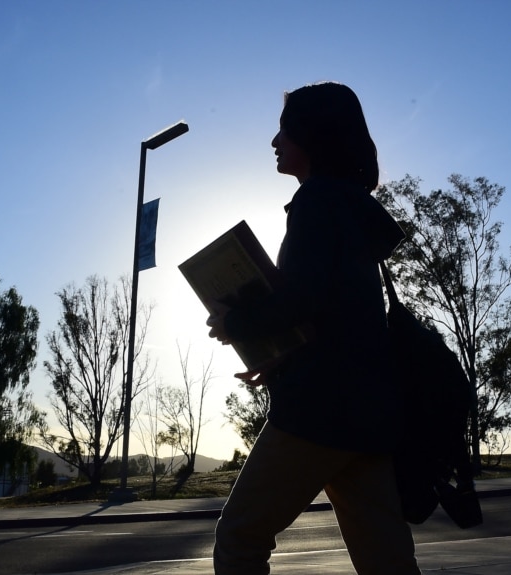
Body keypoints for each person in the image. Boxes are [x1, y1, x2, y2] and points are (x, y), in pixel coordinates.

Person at [206, 82, 421, 575]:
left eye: (285, 129)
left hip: (320, 410)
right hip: (368, 412)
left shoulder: (316, 203)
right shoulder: (349, 209)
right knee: (385, 560)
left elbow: (301, 300)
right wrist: (282, 353)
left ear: (312, 134)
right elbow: (336, 312)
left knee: (239, 536)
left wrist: (236, 322)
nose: (275, 141)